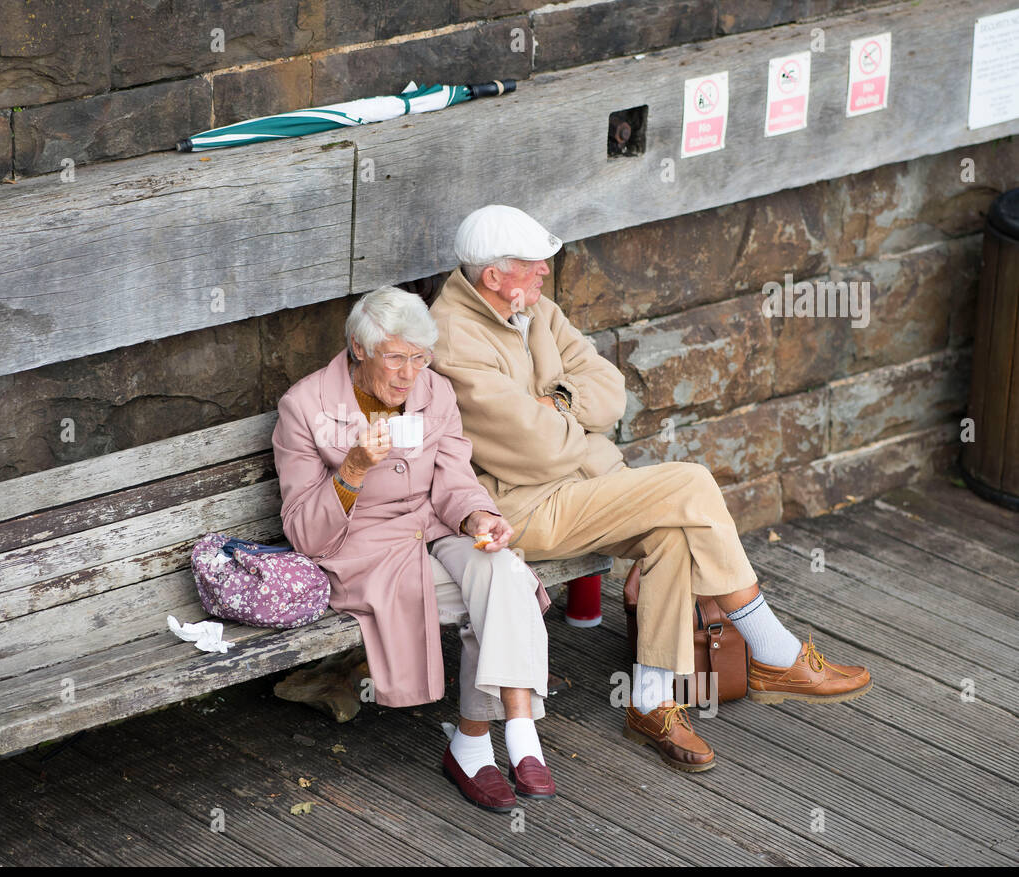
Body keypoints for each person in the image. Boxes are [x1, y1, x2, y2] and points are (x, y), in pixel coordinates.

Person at [429, 204, 872, 773]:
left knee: (672, 533)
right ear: (495, 275)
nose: (546, 274)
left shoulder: (536, 309)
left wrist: (558, 403)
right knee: (690, 482)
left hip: (587, 485)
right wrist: (571, 427)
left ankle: (649, 703)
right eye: (536, 266)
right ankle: (773, 650)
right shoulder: (453, 339)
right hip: (523, 508)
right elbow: (536, 449)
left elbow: (611, 393)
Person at [272, 285, 557, 811]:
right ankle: (488, 744)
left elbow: (455, 480)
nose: (410, 374)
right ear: (360, 349)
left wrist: (481, 517)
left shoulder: (435, 392)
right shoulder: (304, 406)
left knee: (496, 562)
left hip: (432, 530)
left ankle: (502, 738)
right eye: (397, 357)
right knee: (504, 585)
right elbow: (306, 535)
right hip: (366, 552)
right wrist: (352, 470)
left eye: (420, 357)